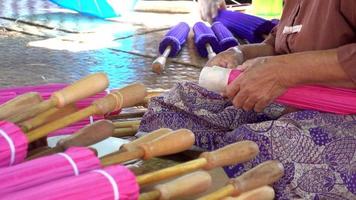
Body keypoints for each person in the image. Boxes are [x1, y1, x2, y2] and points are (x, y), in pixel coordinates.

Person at [140, 0, 356, 199]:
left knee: (260, 147)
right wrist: (239, 53)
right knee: (177, 104)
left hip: (344, 116)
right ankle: (206, 170)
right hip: (291, 99)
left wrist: (285, 71)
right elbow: (277, 46)